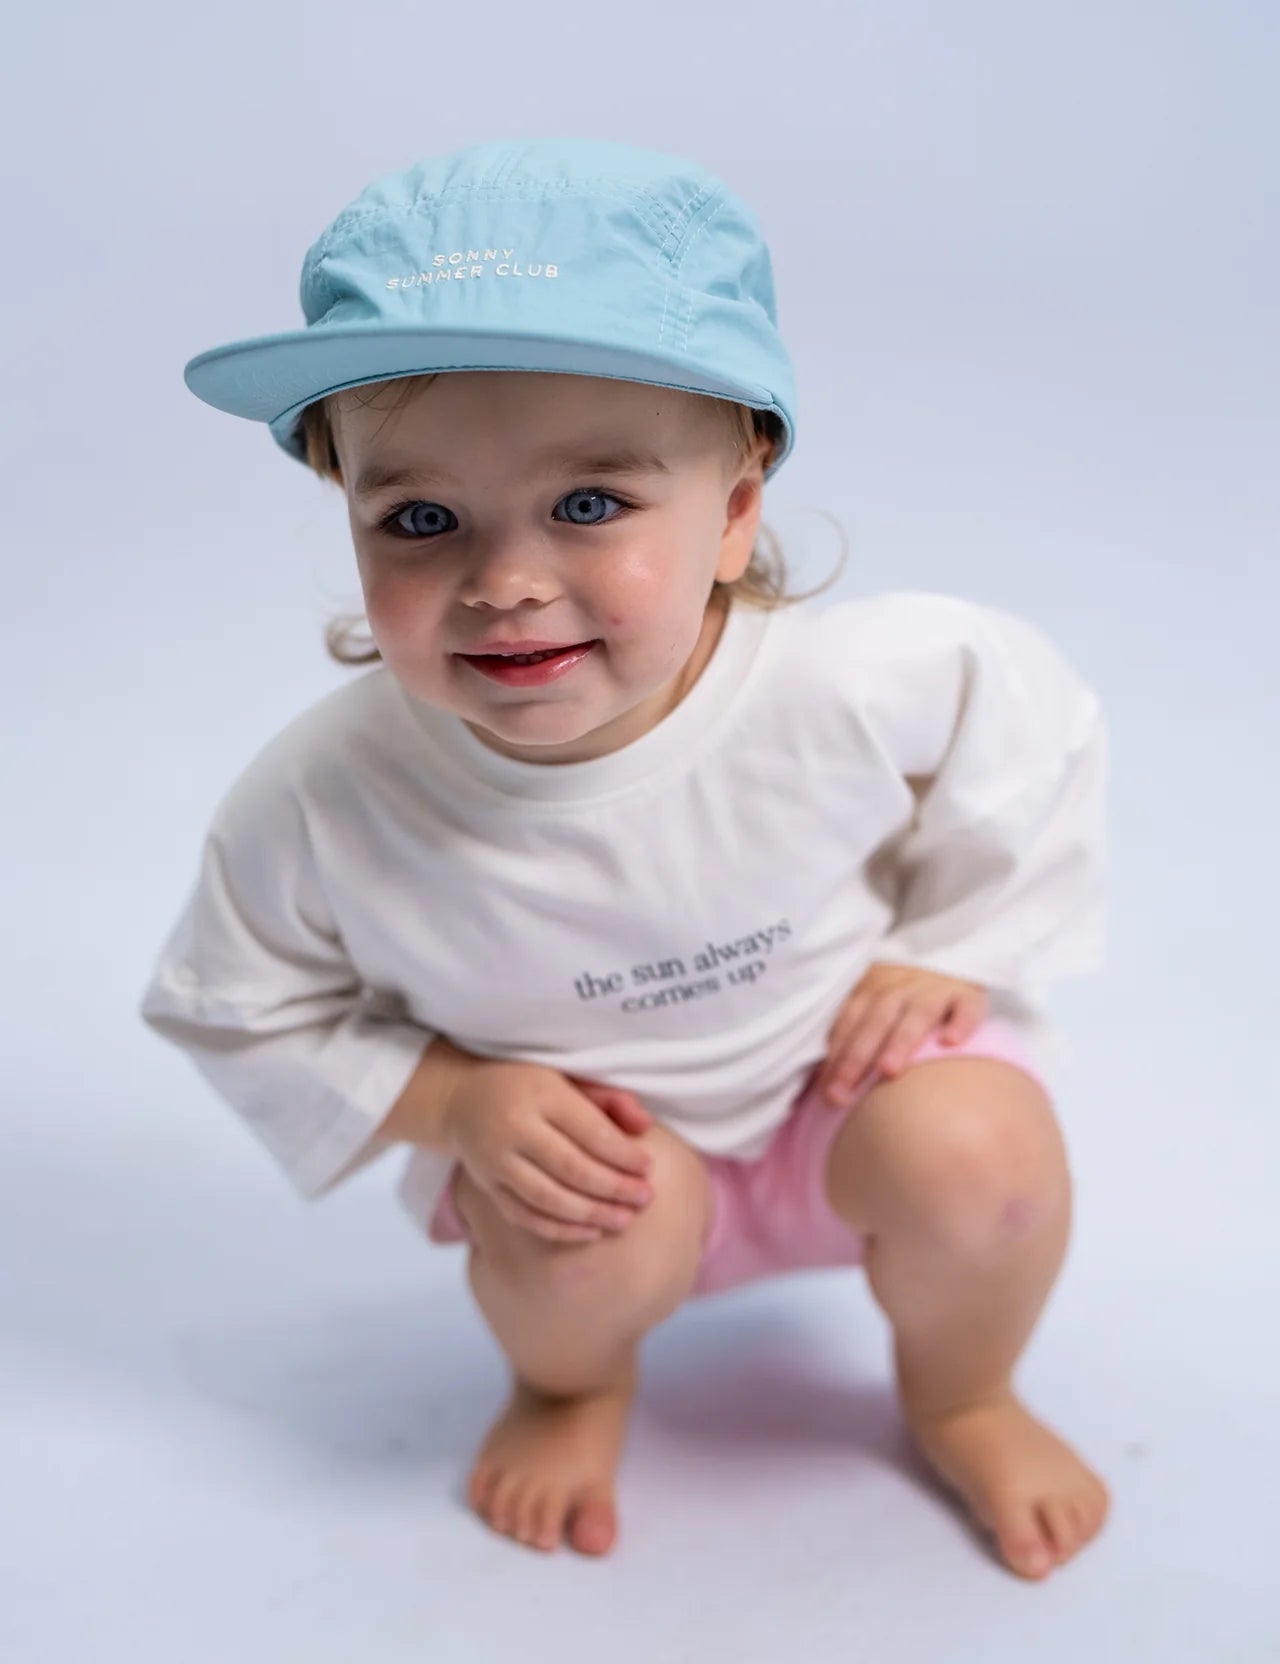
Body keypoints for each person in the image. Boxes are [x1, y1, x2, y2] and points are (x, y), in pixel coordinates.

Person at [138, 138, 1111, 1580]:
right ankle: (569, 1381)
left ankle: (963, 1387)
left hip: (841, 1110)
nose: (505, 579)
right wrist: (458, 1103)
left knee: (988, 1157)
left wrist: (948, 949)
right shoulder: (327, 798)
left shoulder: (843, 687)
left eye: (590, 505)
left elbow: (1031, 723)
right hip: (603, 1177)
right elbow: (227, 1001)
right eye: (419, 519)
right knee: (580, 1236)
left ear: (733, 509)